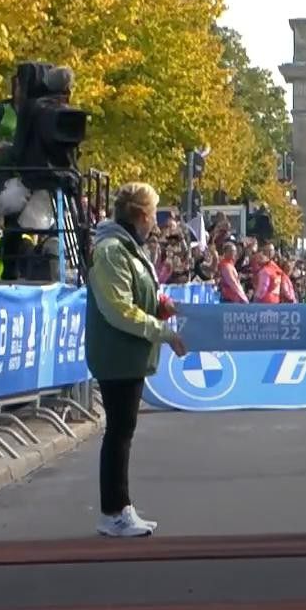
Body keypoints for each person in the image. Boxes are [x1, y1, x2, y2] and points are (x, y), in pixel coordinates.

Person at [84, 182, 187, 538]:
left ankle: (120, 506)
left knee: (123, 430)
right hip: (117, 352)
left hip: (127, 352)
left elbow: (136, 297)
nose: (155, 224)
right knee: (118, 431)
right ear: (141, 215)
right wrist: (163, 331)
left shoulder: (126, 249)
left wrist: (159, 307)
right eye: (153, 215)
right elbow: (119, 309)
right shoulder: (113, 250)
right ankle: (113, 511)